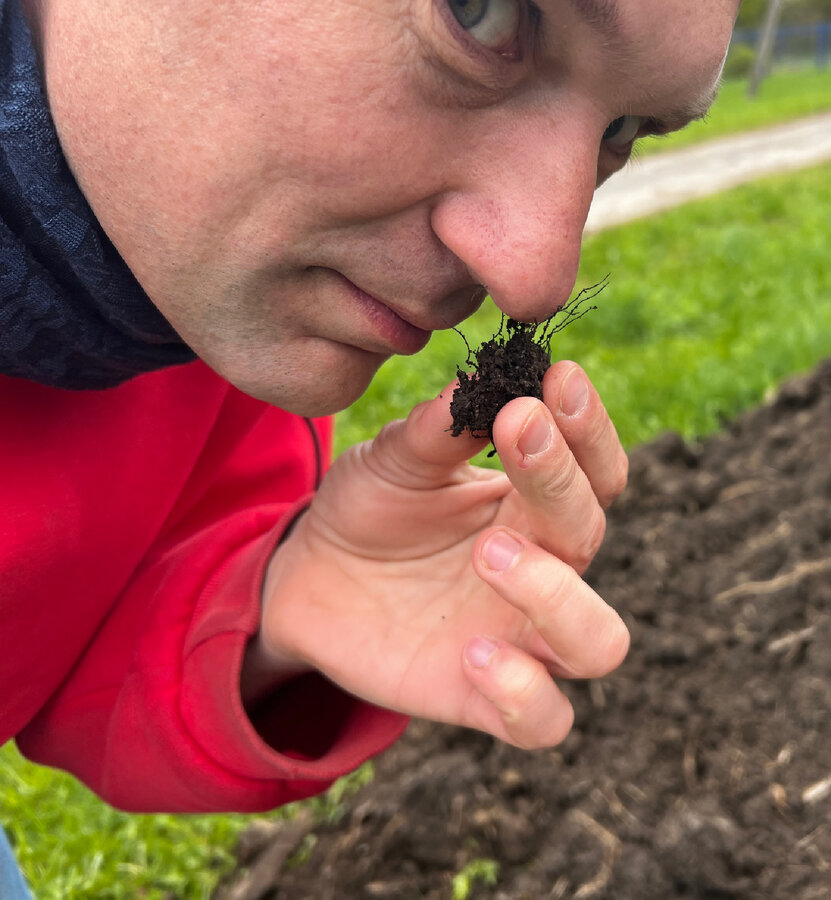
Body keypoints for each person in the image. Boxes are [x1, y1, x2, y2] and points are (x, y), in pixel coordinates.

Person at [2, 0, 739, 872]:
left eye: (621, 129)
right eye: (481, 13)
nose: (536, 269)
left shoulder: (212, 321)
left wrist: (274, 604)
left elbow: (71, 629)